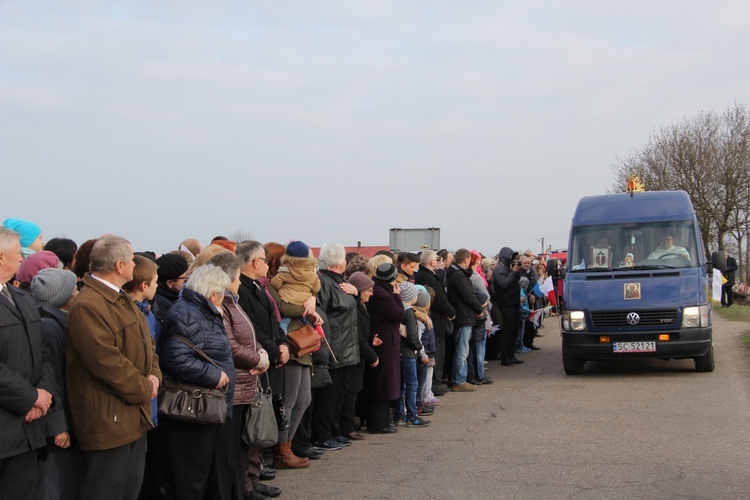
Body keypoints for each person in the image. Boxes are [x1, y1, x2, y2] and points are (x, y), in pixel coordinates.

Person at [65, 235, 162, 500]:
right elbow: (106, 362)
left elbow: (148, 345)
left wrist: (154, 375)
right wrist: (145, 387)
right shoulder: (88, 305)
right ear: (120, 265)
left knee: (129, 490)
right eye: (131, 259)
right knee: (106, 491)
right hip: (108, 421)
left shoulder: (121, 298)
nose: (134, 264)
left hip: (132, 415)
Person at [160, 264, 235, 500]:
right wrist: (214, 376)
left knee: (203, 471)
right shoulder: (186, 313)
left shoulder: (202, 311)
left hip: (209, 403)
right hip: (194, 406)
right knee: (191, 474)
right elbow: (176, 358)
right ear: (214, 294)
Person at [0, 227, 56, 500]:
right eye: (16, 254)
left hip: (28, 429)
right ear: (0, 257)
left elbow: (41, 353)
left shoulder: (22, 298)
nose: (22, 260)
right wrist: (30, 396)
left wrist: (43, 396)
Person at [32, 268, 83, 500]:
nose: (77, 293)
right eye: (73, 289)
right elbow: (52, 378)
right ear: (61, 296)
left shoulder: (50, 321)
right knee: (55, 483)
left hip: (59, 416)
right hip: (57, 421)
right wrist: (58, 425)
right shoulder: (49, 327)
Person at [312, 243, 360, 451]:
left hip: (346, 346)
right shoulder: (324, 283)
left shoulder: (340, 282)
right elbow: (322, 315)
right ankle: (322, 435)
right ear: (339, 262)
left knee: (339, 394)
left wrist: (356, 292)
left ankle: (333, 431)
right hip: (335, 347)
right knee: (328, 397)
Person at [364, 263, 404, 434]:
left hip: (384, 340)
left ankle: (381, 421)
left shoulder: (378, 290)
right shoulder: (384, 295)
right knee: (383, 382)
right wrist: (397, 296)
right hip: (384, 342)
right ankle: (379, 423)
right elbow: (398, 314)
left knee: (385, 380)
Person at [414, 250, 454, 394]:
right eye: (436, 260)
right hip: (436, 320)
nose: (439, 262)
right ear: (431, 262)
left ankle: (433, 384)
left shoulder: (428, 275)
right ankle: (433, 385)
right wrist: (451, 311)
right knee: (436, 352)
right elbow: (437, 299)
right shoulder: (426, 276)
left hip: (437, 319)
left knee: (438, 351)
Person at [446, 248, 486, 392]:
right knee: (462, 351)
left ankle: (458, 378)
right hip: (463, 316)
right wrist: (479, 309)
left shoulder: (458, 274)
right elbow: (468, 296)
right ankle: (459, 380)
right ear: (466, 259)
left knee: (461, 349)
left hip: (464, 315)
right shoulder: (458, 276)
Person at [493, 247, 525, 366]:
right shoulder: (498, 268)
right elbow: (504, 284)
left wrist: (516, 271)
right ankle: (505, 356)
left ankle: (511, 354)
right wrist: (513, 272)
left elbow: (515, 281)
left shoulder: (507, 267)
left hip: (514, 302)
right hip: (506, 304)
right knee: (507, 330)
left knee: (514, 330)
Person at [151, 253, 189, 324]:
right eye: (184, 278)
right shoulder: (162, 306)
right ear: (170, 283)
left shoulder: (173, 298)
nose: (187, 280)